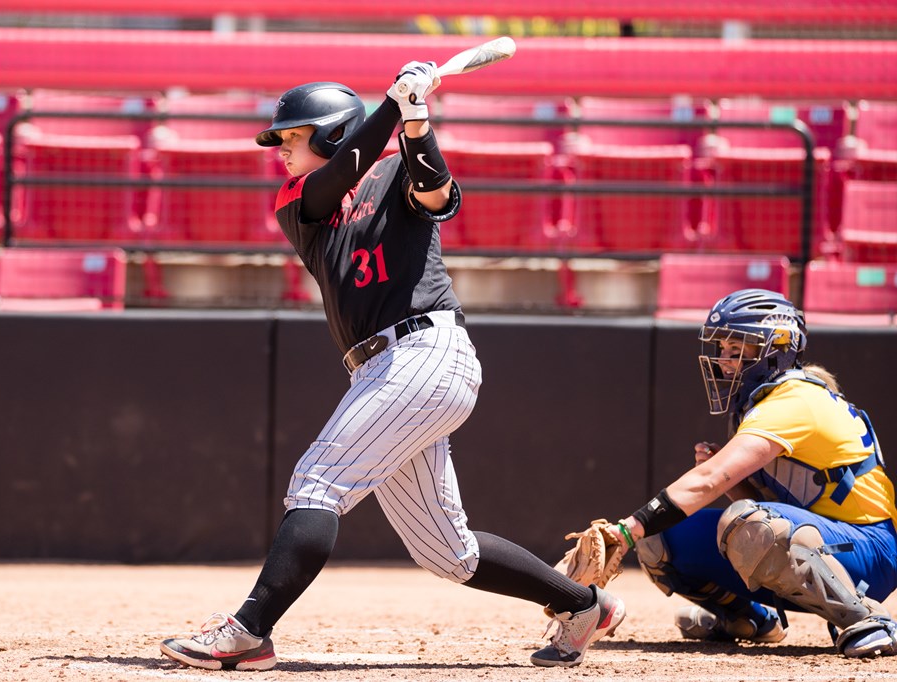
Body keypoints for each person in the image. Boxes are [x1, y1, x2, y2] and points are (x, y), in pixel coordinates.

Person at [159, 64, 624, 671]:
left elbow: (437, 195)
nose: (282, 152)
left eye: (293, 138)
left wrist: (416, 118)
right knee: (447, 552)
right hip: (380, 371)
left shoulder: (398, 165)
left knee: (319, 482)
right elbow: (337, 179)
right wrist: (391, 106)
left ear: (329, 133)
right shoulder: (299, 202)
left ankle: (249, 632)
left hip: (424, 351)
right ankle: (583, 606)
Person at [604, 289, 896, 658]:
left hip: (870, 549)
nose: (726, 359)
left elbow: (711, 481)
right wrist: (734, 488)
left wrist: (627, 531)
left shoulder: (794, 399)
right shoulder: (768, 400)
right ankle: (749, 620)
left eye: (738, 347)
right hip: (821, 541)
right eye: (723, 347)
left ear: (776, 347)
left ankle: (869, 619)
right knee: (662, 539)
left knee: (733, 523)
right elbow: (762, 509)